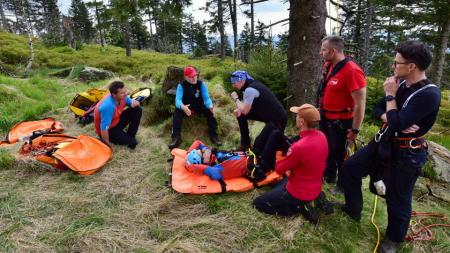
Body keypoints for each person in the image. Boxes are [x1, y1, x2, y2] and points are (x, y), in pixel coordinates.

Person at [340, 41, 441, 253]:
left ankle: (394, 239)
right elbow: (378, 111)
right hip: (383, 142)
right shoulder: (400, 84)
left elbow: (395, 121)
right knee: (350, 169)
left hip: (407, 153)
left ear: (411, 66)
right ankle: (352, 209)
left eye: (396, 63)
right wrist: (391, 113)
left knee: (398, 196)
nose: (393, 66)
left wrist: (391, 99)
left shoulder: (429, 94)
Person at [253, 104, 331, 223]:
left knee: (258, 203)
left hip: (298, 192)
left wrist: (284, 156)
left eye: (297, 116)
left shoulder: (298, 147)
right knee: (276, 184)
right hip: (314, 185)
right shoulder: (322, 136)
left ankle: (299, 207)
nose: (295, 118)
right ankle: (314, 197)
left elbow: (279, 169)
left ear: (301, 121)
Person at [317, 36, 367, 192]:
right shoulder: (331, 65)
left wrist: (355, 130)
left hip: (342, 122)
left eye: (324, 50)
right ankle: (329, 175)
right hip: (326, 117)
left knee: (341, 154)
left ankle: (342, 185)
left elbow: (360, 103)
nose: (321, 53)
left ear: (333, 51)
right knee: (328, 149)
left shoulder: (352, 71)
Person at [230, 70, 287, 150]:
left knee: (261, 145)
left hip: (277, 119)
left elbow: (245, 110)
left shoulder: (249, 90)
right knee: (240, 114)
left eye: (234, 83)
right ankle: (245, 144)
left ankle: (289, 146)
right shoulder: (249, 85)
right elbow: (247, 108)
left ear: (242, 80)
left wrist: (236, 98)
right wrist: (240, 109)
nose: (233, 86)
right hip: (266, 114)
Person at [168, 66, 221, 149]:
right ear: (185, 77)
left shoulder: (201, 84)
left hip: (199, 106)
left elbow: (206, 98)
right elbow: (177, 100)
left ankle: (214, 136)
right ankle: (176, 138)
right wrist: (183, 107)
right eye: (191, 77)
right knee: (177, 112)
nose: (194, 78)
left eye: (195, 75)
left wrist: (210, 106)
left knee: (210, 112)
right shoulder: (181, 86)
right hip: (187, 108)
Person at [94, 80, 142, 149]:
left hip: (116, 121)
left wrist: (135, 103)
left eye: (125, 91)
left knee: (137, 109)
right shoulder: (108, 106)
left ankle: (130, 135)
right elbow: (104, 129)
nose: (125, 94)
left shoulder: (122, 97)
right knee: (133, 144)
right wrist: (107, 146)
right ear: (114, 94)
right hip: (109, 130)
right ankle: (129, 139)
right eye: (122, 93)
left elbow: (131, 103)